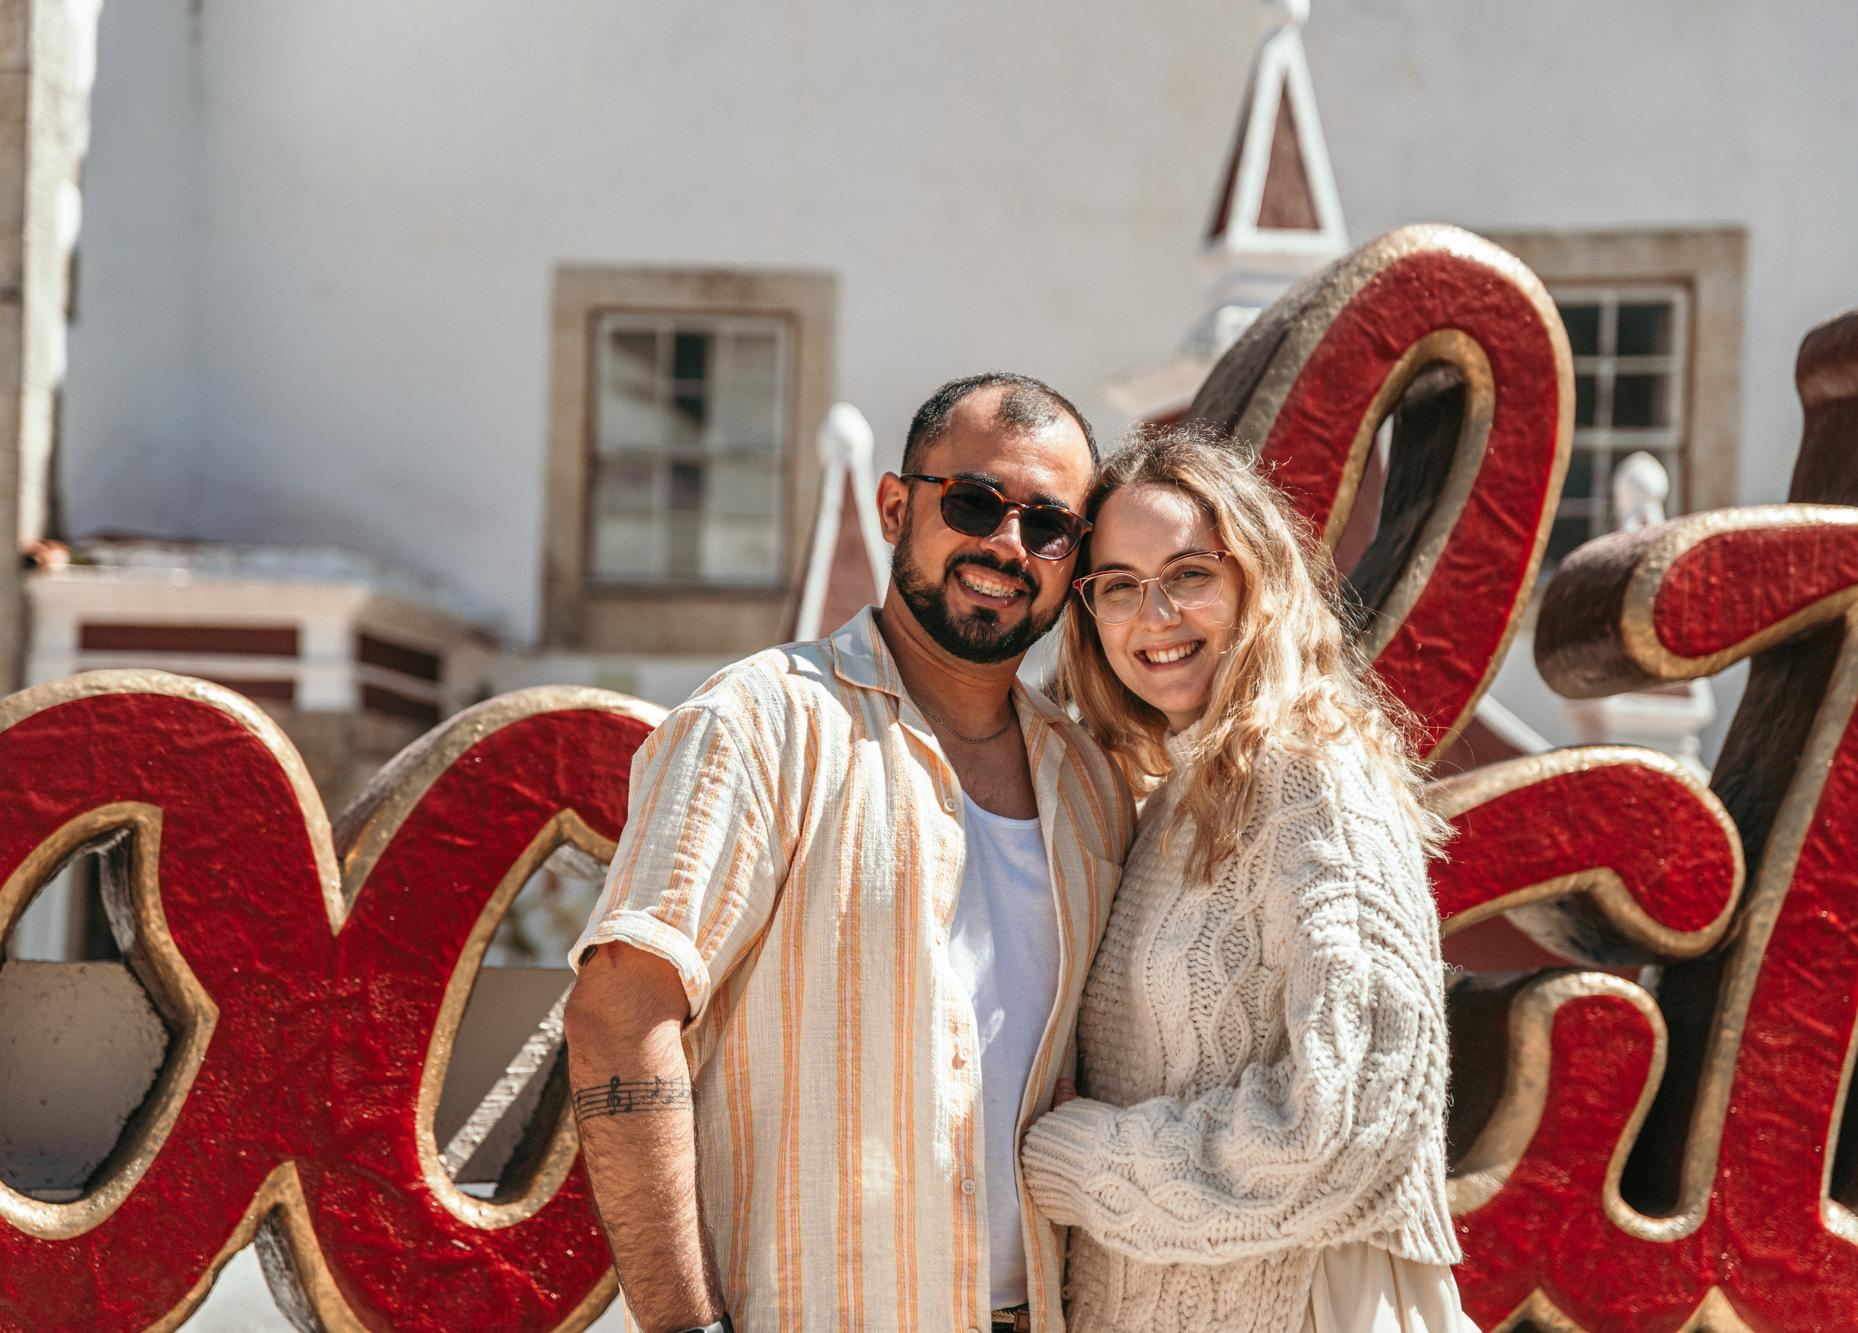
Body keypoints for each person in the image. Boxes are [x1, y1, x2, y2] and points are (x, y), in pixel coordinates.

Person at [563, 372, 1134, 1333]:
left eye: (1047, 525)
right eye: (974, 503)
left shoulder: (1089, 783)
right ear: (896, 506)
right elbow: (620, 1013)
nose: (1006, 545)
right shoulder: (759, 724)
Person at [1019, 425, 1472, 1333]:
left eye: (1190, 574)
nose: (1156, 616)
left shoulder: (1312, 776)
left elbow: (1354, 1116)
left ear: (1255, 580)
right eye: (1118, 588)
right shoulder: (1173, 796)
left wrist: (1085, 1163)